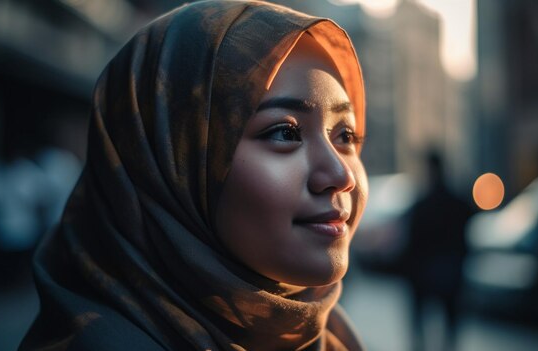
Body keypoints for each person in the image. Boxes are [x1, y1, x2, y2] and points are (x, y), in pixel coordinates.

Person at [19, 1, 368, 350]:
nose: (340, 174)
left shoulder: (329, 336)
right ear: (166, 162)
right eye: (285, 133)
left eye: (346, 136)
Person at [403, 151, 473, 351]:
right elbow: (464, 239)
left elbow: (412, 243)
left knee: (420, 325)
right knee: (450, 326)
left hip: (423, 273)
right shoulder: (458, 203)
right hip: (450, 271)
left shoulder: (421, 205)